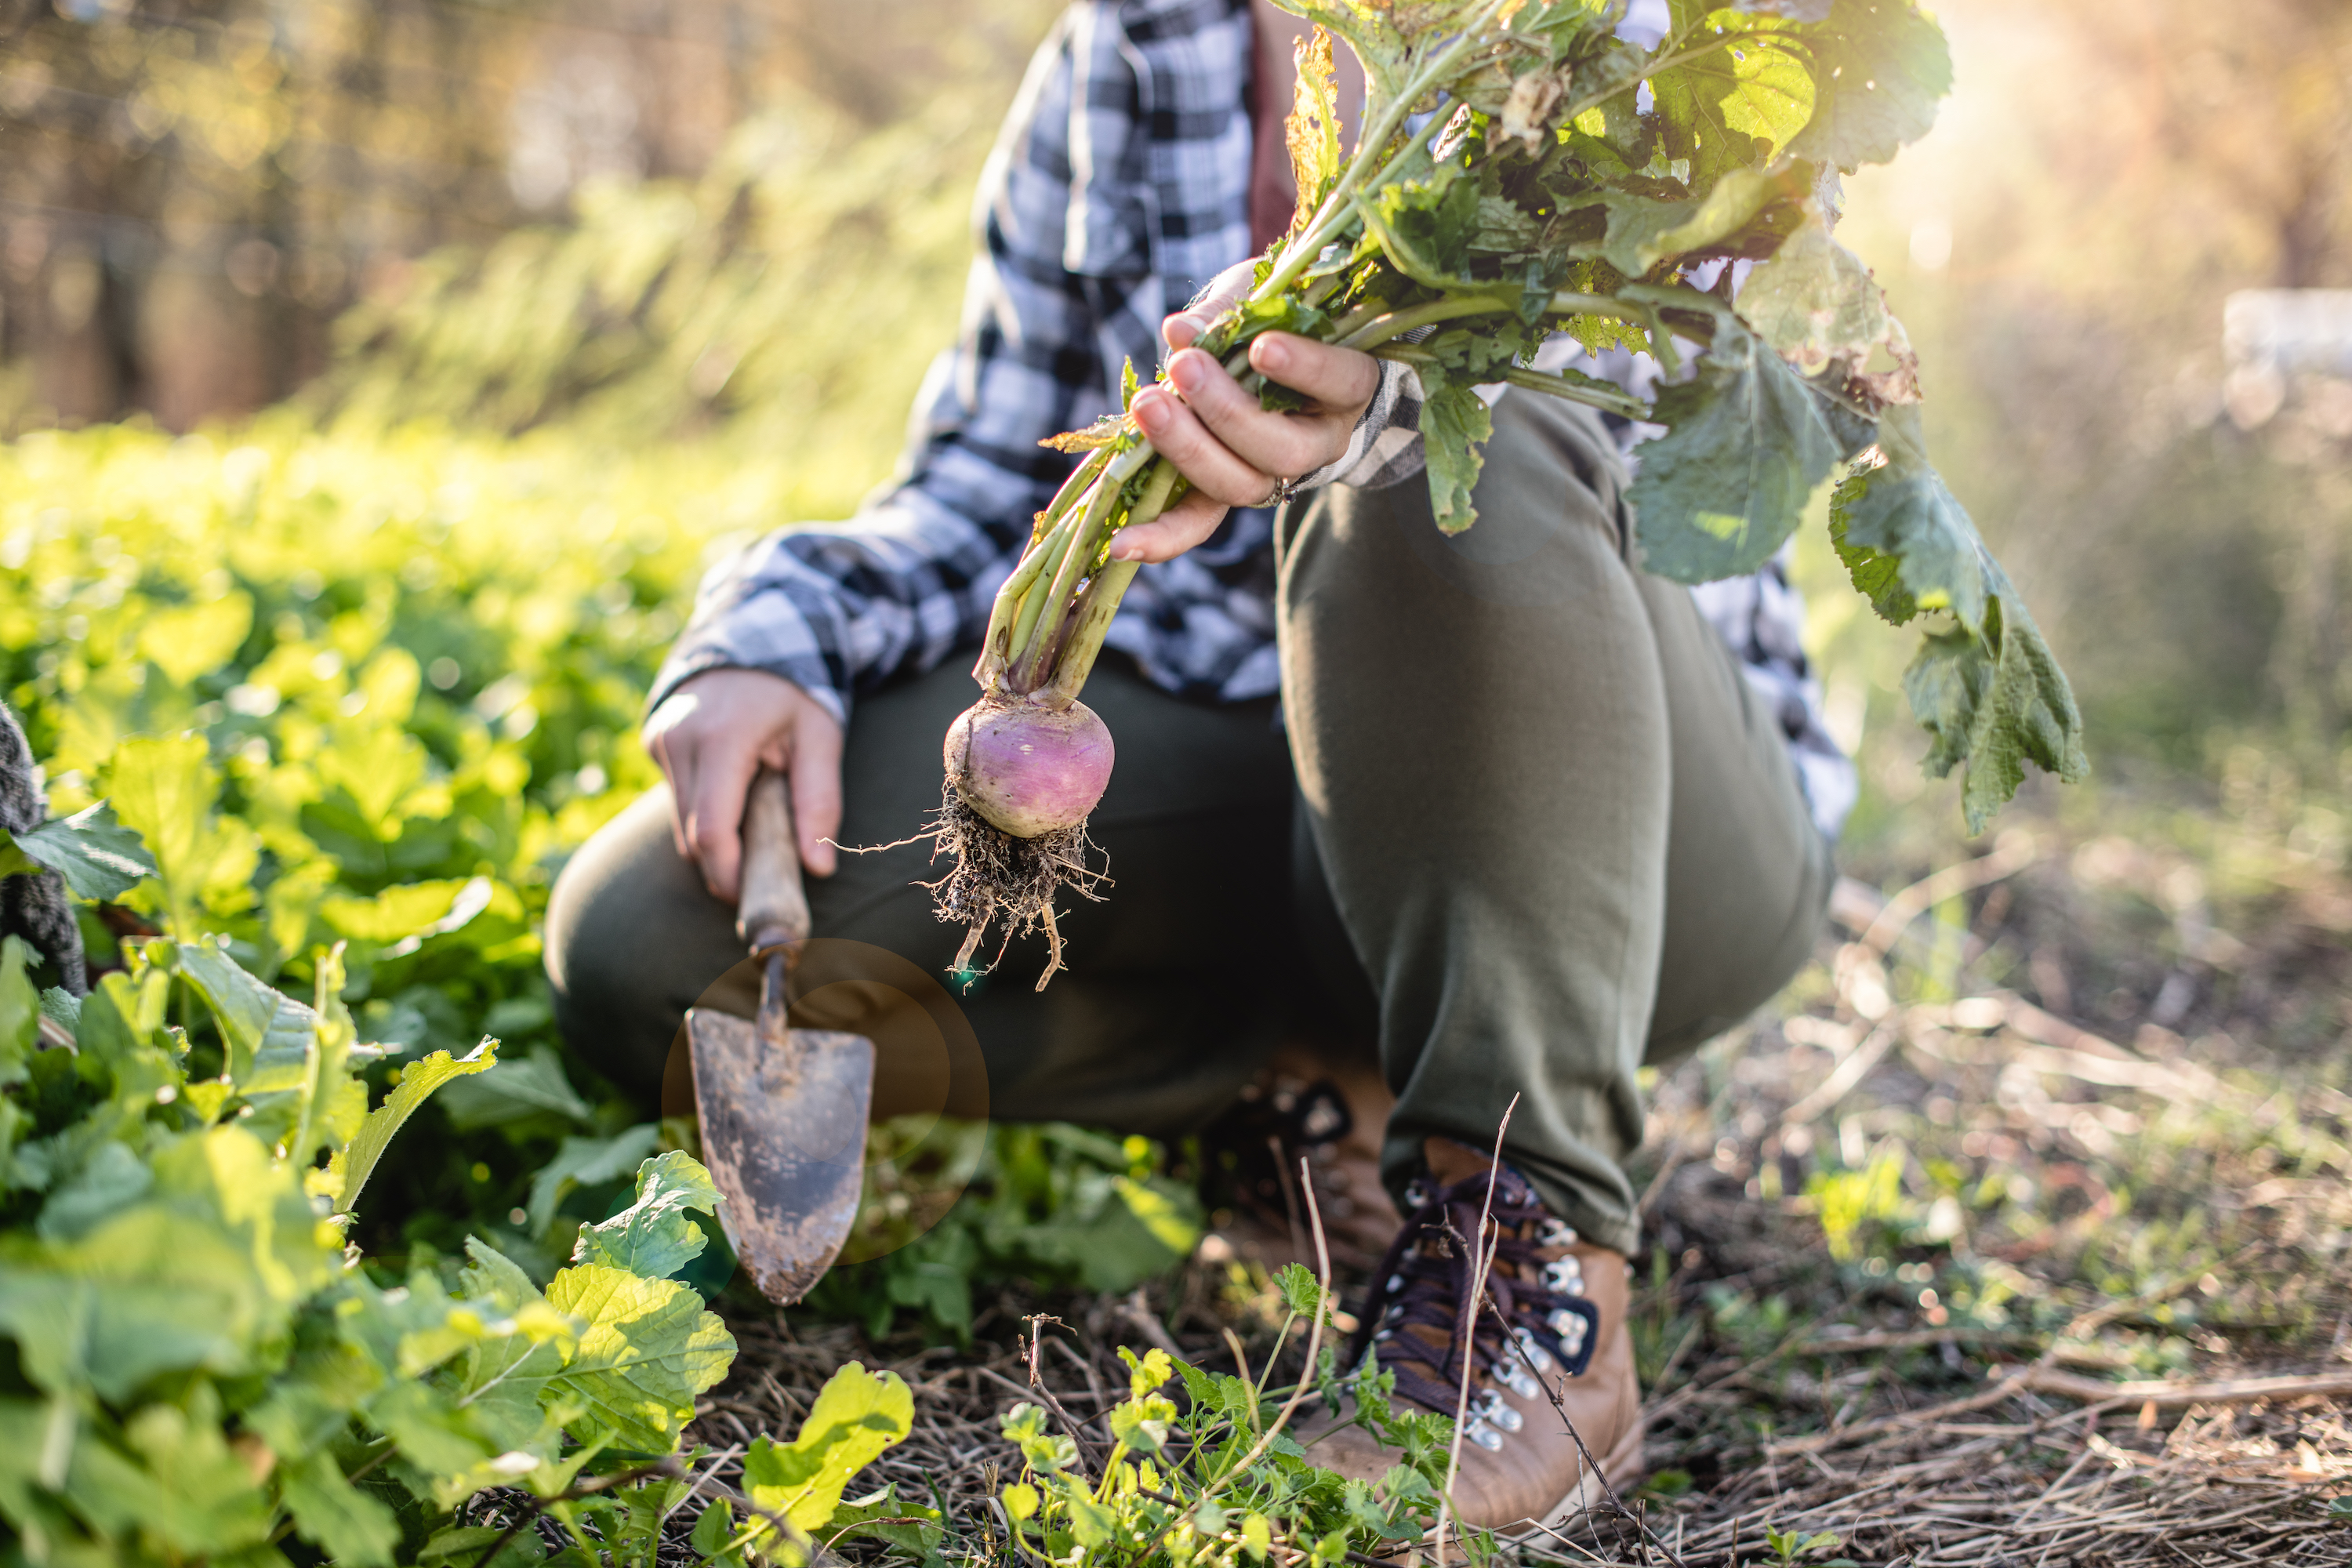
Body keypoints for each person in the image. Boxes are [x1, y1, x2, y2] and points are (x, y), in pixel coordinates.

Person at [546, 0, 1849, 1534]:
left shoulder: (1666, 37)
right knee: (658, 953)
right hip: (1269, 789)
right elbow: (984, 476)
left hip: (1645, 835)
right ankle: (1316, 1090)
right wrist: (774, 630)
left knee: (1455, 459)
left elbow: (1701, 470)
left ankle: (1536, 1270)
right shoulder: (1145, 41)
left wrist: (1389, 416)